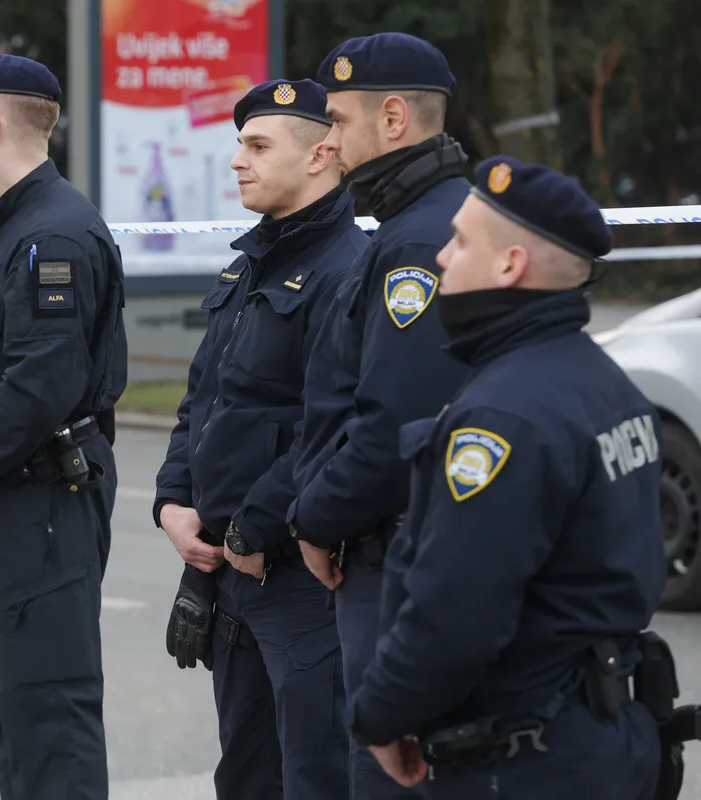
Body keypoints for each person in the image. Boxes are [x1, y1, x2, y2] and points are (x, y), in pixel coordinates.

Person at [345, 156, 667, 798]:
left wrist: (379, 717)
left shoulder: (500, 417)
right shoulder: (605, 384)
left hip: (523, 756)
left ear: (509, 265)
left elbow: (454, 611)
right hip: (600, 735)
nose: (441, 258)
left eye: (460, 240)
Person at [0, 53, 127, 800]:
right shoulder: (10, 227)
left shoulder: (55, 238)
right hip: (9, 500)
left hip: (45, 504)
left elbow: (44, 380)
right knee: (9, 711)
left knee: (49, 715)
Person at [153, 78, 368, 799]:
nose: (237, 161)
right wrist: (174, 501)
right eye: (238, 144)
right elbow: (204, 399)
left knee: (315, 775)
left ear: (322, 155)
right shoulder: (249, 262)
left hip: (302, 576)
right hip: (229, 572)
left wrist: (251, 526)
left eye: (257, 145)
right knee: (245, 775)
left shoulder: (349, 270)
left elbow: (329, 424)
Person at [283, 33, 473, 799]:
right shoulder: (418, 219)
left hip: (392, 553)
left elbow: (396, 420)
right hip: (394, 542)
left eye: (335, 120)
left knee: (389, 774)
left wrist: (316, 519)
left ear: (392, 116)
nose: (327, 143)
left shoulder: (419, 237)